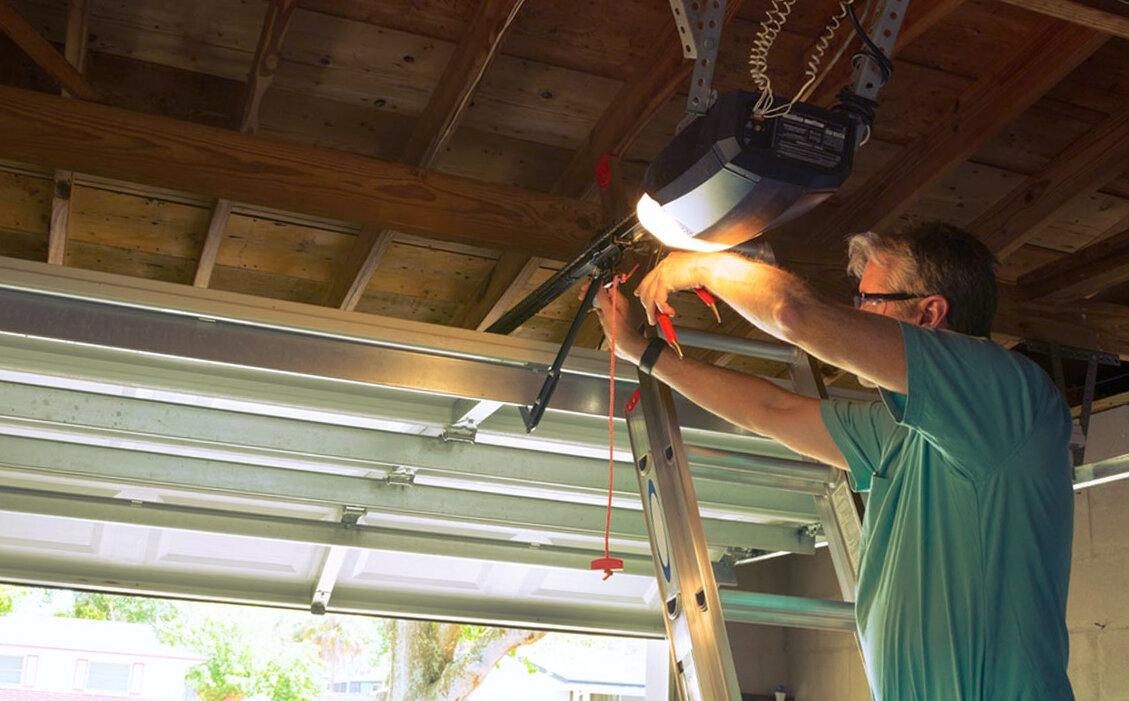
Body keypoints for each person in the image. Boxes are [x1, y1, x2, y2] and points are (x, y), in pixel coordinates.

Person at [589, 222, 1074, 700]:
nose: (856, 313)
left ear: (930, 314)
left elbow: (794, 313)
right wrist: (640, 351)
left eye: (869, 300)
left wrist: (700, 266)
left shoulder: (1005, 397)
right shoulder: (901, 431)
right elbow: (772, 410)